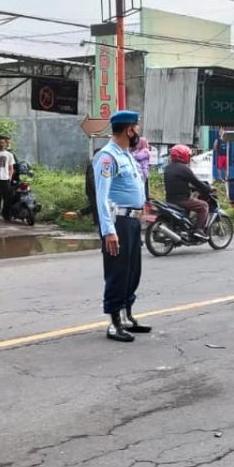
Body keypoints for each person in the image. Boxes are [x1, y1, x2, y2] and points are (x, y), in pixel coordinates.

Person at [94, 110, 152, 343]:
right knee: (117, 272)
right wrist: (108, 230)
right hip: (118, 222)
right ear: (129, 130)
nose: (138, 132)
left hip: (131, 221)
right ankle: (114, 323)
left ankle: (127, 316)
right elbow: (102, 197)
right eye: (136, 128)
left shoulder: (127, 155)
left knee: (132, 271)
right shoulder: (107, 157)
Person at [163, 143, 213, 236]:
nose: (189, 157)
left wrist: (191, 188)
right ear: (182, 155)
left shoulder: (168, 168)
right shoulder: (184, 169)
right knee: (204, 206)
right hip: (182, 200)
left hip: (169, 200)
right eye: (188, 155)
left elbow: (177, 183)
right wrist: (208, 188)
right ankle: (199, 230)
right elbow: (196, 182)